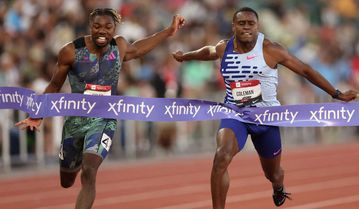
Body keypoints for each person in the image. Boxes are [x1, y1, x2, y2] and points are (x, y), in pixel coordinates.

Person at [172, 7, 357, 208]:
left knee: (273, 174)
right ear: (233, 26)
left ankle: (278, 186)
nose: (246, 27)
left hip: (266, 118)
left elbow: (305, 70)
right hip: (235, 114)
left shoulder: (270, 49)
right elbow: (208, 52)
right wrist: (186, 56)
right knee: (221, 156)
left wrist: (336, 93)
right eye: (241, 23)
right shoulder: (224, 48)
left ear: (257, 26)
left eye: (250, 23)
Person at [16, 8, 185, 209]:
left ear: (115, 28)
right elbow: (54, 85)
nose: (102, 31)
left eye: (108, 27)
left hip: (104, 119)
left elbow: (138, 49)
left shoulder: (119, 46)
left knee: (90, 171)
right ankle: (76, 156)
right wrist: (38, 114)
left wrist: (168, 31)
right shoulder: (71, 51)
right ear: (90, 26)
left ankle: (87, 158)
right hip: (75, 121)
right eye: (97, 26)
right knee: (66, 181)